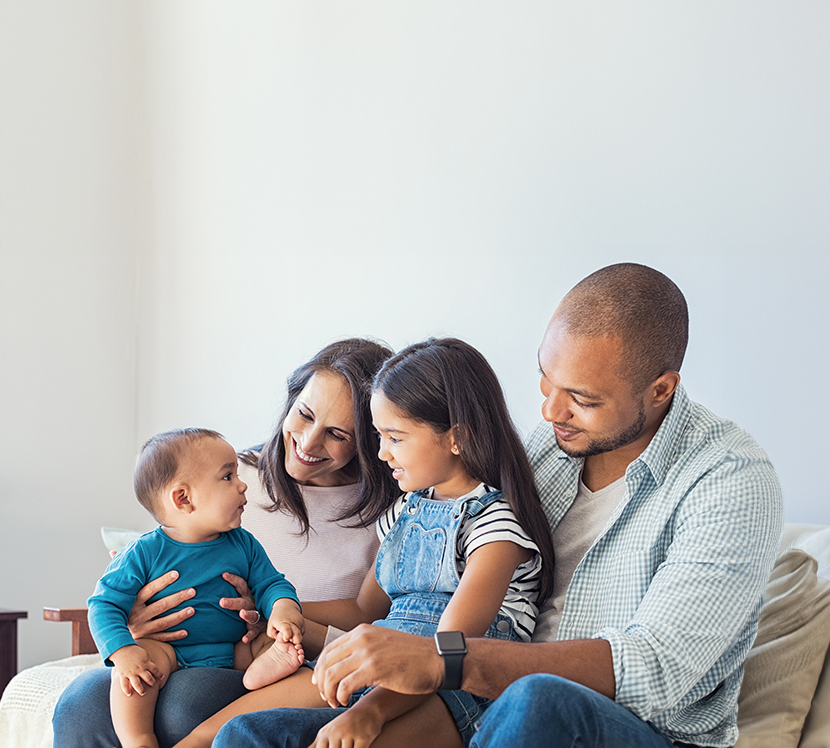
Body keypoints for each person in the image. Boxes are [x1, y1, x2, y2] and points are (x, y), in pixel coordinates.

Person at [214, 265, 784, 748]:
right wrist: (271, 605)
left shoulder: (729, 480)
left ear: (660, 389)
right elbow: (422, 492)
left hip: (623, 726)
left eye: (583, 399)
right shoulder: (544, 452)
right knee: (252, 737)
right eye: (545, 378)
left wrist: (447, 660)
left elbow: (654, 668)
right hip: (483, 702)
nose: (551, 412)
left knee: (538, 702)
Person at [170, 338, 555, 748]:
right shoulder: (404, 512)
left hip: (453, 687)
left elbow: (448, 651)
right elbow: (366, 611)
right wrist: (275, 612)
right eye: (378, 436)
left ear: (456, 438)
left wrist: (367, 714)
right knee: (219, 735)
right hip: (379, 660)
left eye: (395, 437)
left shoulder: (495, 525)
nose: (382, 453)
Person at [53, 338, 397, 748]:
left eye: (337, 434)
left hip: (267, 648)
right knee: (81, 701)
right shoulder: (227, 476)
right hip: (173, 642)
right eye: (303, 414)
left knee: (184, 701)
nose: (307, 443)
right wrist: (131, 626)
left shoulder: (391, 511)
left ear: (370, 439)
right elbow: (125, 586)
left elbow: (369, 614)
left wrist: (270, 610)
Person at [87, 430, 305, 748]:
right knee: (136, 677)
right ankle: (138, 739)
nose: (242, 485)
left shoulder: (243, 544)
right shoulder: (144, 552)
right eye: (228, 476)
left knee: (269, 641)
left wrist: (284, 609)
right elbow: (104, 604)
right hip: (169, 652)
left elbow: (270, 583)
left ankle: (262, 668)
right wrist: (124, 652)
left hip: (234, 647)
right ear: (184, 499)